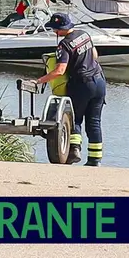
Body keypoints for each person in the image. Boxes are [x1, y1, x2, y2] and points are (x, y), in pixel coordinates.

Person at [36, 13, 106, 166]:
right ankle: (95, 160)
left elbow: (60, 70)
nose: (54, 32)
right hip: (99, 81)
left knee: (75, 119)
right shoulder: (84, 34)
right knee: (94, 122)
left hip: (81, 85)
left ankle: (74, 150)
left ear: (60, 29)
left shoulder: (64, 44)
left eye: (55, 29)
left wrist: (40, 81)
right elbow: (95, 55)